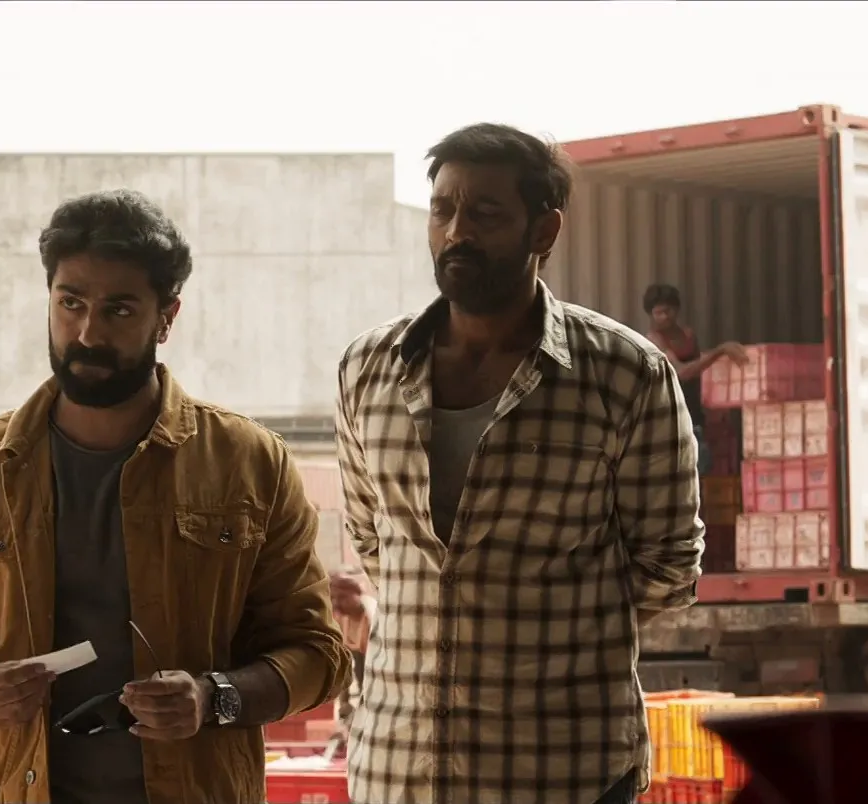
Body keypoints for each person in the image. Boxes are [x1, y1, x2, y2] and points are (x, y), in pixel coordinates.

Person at [0, 189, 352, 804]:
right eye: (70, 303)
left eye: (119, 310)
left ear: (166, 317)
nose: (88, 332)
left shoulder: (249, 462)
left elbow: (317, 652)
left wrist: (213, 698)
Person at [335, 123, 705, 804]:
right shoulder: (368, 369)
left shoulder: (625, 375)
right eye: (443, 210)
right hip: (397, 771)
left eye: (485, 213)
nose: (456, 233)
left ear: (544, 230)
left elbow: (668, 566)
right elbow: (373, 539)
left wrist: (543, 629)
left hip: (560, 771)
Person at [642, 283, 747, 472]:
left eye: (668, 311)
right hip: (667, 416)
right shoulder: (653, 340)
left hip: (693, 412)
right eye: (658, 313)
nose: (664, 317)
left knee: (701, 465)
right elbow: (681, 372)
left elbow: (702, 370)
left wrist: (715, 406)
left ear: (676, 309)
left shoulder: (688, 336)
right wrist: (720, 351)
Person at [319, 569, 375, 761]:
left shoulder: (373, 617)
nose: (336, 603)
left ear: (357, 593)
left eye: (342, 597)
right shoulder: (340, 619)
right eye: (333, 598)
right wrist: (343, 705)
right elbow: (343, 666)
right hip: (357, 670)